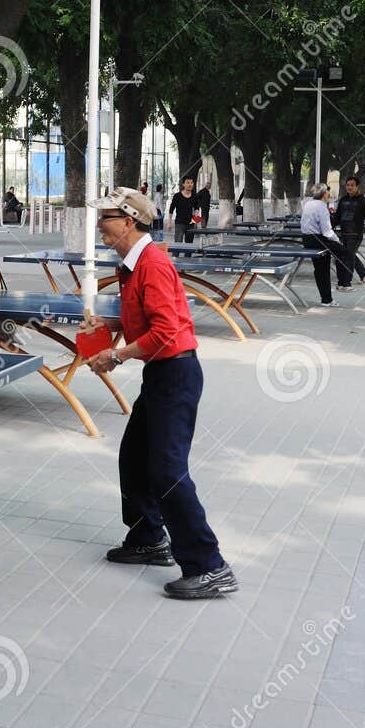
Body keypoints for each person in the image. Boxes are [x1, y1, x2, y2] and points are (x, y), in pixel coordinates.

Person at [82, 187, 235, 600]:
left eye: (107, 218)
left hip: (177, 374)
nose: (99, 225)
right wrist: (108, 325)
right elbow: (143, 318)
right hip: (161, 373)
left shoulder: (152, 263)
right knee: (134, 458)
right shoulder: (131, 265)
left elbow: (166, 332)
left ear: (129, 221)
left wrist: (114, 357)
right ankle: (149, 537)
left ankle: (209, 565)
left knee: (167, 471)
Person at [300, 183, 354, 306]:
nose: (329, 194)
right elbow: (327, 231)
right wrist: (337, 241)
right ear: (324, 194)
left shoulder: (308, 204)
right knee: (347, 253)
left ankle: (327, 299)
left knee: (320, 269)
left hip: (307, 239)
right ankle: (343, 283)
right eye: (328, 192)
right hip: (319, 240)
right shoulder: (322, 206)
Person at [332, 177, 365, 290]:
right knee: (348, 255)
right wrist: (329, 227)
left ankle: (346, 283)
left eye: (352, 185)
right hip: (344, 234)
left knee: (348, 257)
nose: (349, 187)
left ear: (357, 187)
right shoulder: (342, 200)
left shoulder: (362, 200)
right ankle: (363, 272)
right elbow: (337, 217)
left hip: (356, 234)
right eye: (348, 185)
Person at [167, 176, 201, 244]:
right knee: (177, 244)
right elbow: (171, 209)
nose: (190, 184)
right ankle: (175, 255)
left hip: (191, 224)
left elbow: (196, 207)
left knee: (189, 245)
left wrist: (196, 215)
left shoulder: (194, 196)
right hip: (179, 223)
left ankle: (187, 255)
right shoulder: (177, 196)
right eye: (187, 183)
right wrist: (169, 222)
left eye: (191, 183)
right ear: (183, 184)